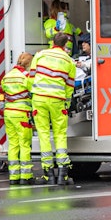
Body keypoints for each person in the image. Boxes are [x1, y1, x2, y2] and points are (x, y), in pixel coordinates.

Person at [29, 32, 77, 183]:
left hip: (39, 99)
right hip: (57, 100)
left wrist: (33, 95)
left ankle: (48, 174)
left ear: (52, 42)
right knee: (60, 134)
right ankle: (63, 174)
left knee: (43, 134)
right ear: (65, 45)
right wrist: (67, 104)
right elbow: (70, 86)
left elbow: (31, 78)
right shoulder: (69, 61)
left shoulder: (40, 55)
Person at [0, 51, 34, 185]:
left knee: (13, 144)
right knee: (24, 144)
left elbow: (2, 91)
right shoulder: (26, 76)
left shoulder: (7, 76)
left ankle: (13, 176)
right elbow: (33, 92)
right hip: (21, 113)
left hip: (9, 113)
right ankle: (26, 176)